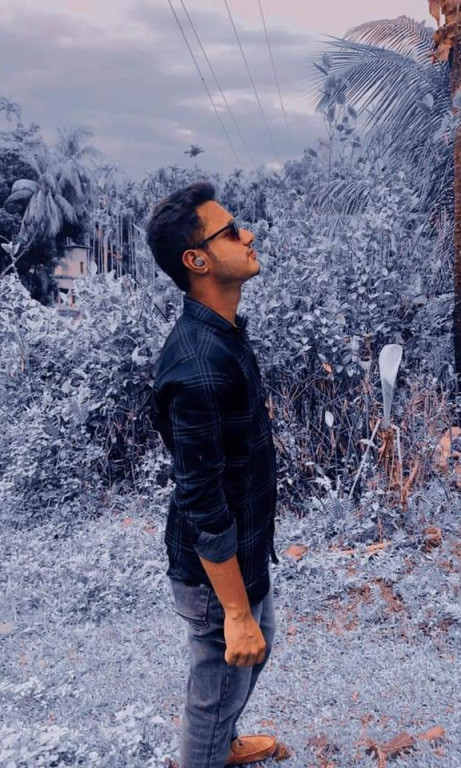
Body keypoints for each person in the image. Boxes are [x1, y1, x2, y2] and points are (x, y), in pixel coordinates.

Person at [146, 181, 280, 768]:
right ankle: (208, 751)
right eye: (229, 232)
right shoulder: (198, 365)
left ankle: (221, 745)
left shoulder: (222, 334)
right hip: (214, 573)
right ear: (197, 261)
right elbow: (200, 498)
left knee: (254, 653)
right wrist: (236, 612)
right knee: (217, 688)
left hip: (243, 549)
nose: (247, 234)